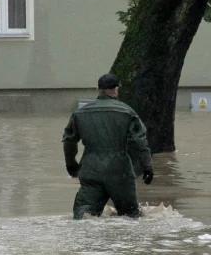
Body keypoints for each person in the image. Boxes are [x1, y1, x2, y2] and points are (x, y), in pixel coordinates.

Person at [62, 73, 154, 219]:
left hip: (90, 170)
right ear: (116, 89)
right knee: (130, 216)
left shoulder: (80, 113)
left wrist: (71, 165)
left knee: (83, 216)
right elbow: (140, 142)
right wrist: (147, 166)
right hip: (120, 172)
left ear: (98, 89)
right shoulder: (127, 112)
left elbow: (69, 141)